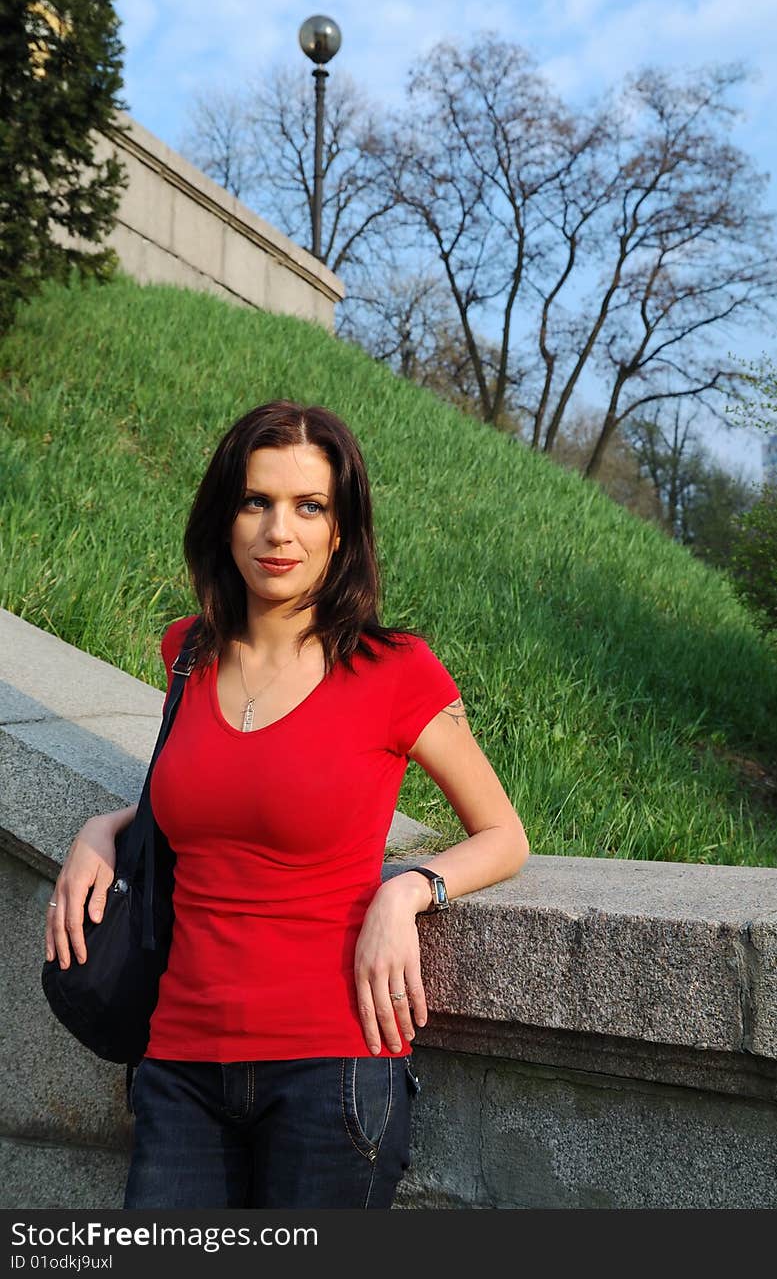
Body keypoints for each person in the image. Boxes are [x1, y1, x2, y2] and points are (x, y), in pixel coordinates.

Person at [45, 400, 529, 1210]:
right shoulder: (185, 654)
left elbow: (504, 833)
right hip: (179, 1068)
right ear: (224, 518)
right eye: (257, 501)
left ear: (341, 530)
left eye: (310, 507)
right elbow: (215, 793)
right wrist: (107, 824)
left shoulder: (394, 670)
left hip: (334, 1069)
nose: (280, 531)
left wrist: (406, 889)